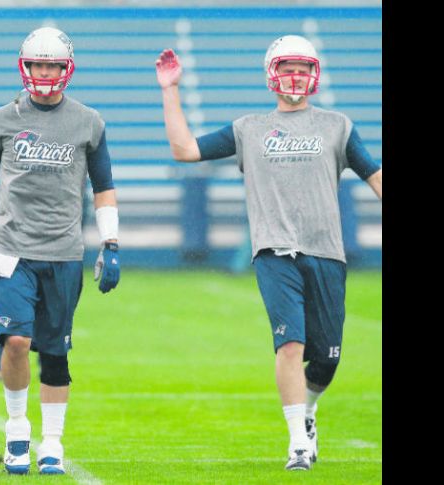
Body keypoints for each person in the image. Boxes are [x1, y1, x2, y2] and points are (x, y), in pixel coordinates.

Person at [155, 36, 382, 471]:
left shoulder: (338, 125)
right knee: (290, 343)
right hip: (274, 251)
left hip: (327, 252)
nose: (295, 76)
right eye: (287, 67)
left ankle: (309, 411)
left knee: (328, 358)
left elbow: (373, 175)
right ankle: (298, 441)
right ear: (270, 74)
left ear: (314, 74)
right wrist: (170, 90)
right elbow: (185, 151)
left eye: (302, 68)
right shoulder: (249, 128)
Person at [0, 26, 121, 475]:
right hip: (12, 249)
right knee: (16, 341)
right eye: (37, 64)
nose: (44, 73)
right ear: (24, 67)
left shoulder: (89, 121)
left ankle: (52, 442)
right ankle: (16, 429)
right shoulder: (2, 119)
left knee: (54, 351)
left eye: (52, 65)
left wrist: (111, 242)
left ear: (66, 69)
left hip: (65, 252)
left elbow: (103, 188)